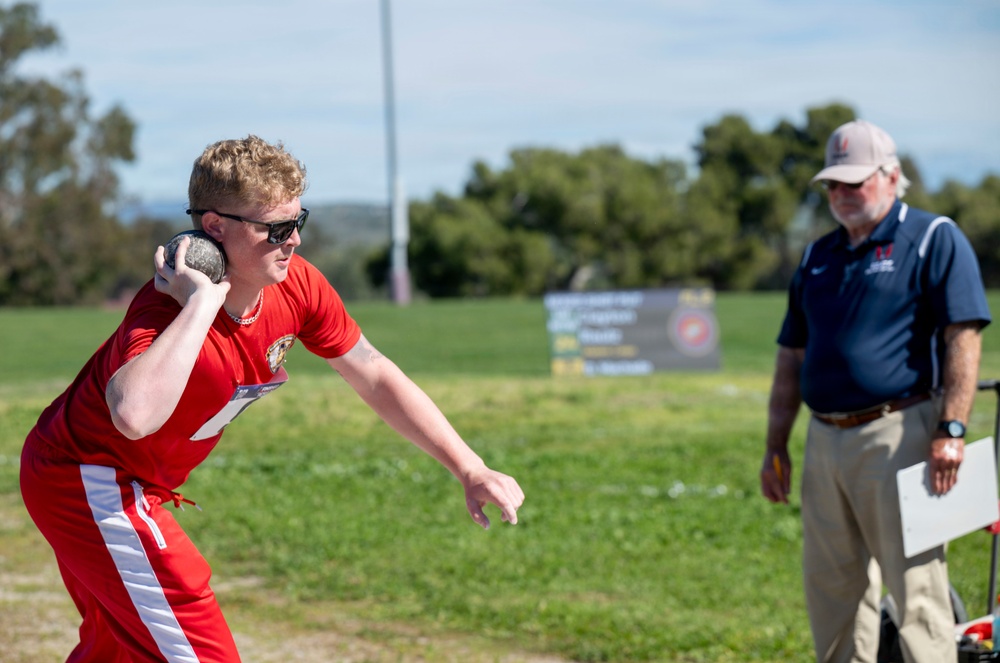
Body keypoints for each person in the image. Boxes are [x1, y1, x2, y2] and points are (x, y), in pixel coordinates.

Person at [20, 135, 525, 663]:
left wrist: (470, 468)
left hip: (129, 483)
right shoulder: (164, 309)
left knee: (119, 651)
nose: (294, 242)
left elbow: (373, 373)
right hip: (84, 476)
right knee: (197, 645)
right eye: (276, 229)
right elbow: (133, 415)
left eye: (298, 221)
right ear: (213, 228)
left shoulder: (297, 286)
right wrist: (199, 304)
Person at [759, 119, 990, 663]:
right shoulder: (817, 256)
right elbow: (791, 355)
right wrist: (775, 445)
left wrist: (951, 429)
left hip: (900, 432)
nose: (841, 195)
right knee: (832, 589)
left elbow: (964, 336)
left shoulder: (933, 237)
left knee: (916, 590)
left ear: (891, 176)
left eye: (854, 182)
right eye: (832, 185)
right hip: (825, 438)